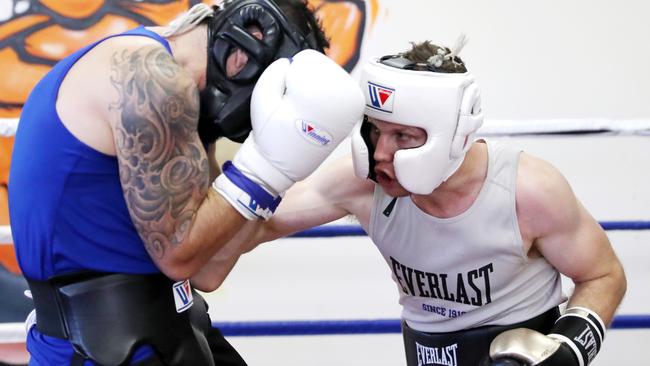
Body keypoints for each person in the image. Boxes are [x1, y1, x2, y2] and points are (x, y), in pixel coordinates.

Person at [196, 38, 628, 366]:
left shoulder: (526, 190)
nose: (381, 153)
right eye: (374, 131)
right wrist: (216, 149)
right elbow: (250, 226)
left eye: (404, 136)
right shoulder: (362, 183)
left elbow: (603, 274)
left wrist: (570, 348)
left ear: (452, 136)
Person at [7, 0, 364, 364]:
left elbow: (208, 268)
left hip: (170, 327)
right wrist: (264, 169)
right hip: (102, 344)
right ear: (249, 48)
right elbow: (181, 255)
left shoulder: (191, 109)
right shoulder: (149, 78)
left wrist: (280, 176)